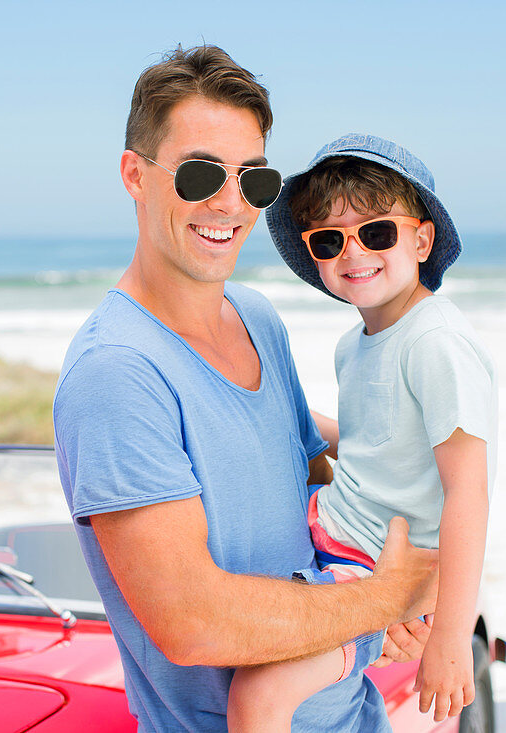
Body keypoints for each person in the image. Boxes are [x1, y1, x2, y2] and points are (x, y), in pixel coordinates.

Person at [53, 46, 438, 732]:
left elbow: (313, 486)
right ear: (134, 176)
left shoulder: (258, 317)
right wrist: (386, 599)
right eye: (202, 173)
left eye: (254, 180)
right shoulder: (116, 373)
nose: (230, 203)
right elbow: (193, 620)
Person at [229, 134, 496, 727]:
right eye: (329, 239)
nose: (354, 253)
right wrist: (281, 414)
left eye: (377, 232)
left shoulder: (436, 343)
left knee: (260, 694)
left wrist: (451, 637)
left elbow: (469, 494)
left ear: (421, 238)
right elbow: (379, 445)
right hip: (328, 520)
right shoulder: (356, 344)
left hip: (374, 566)